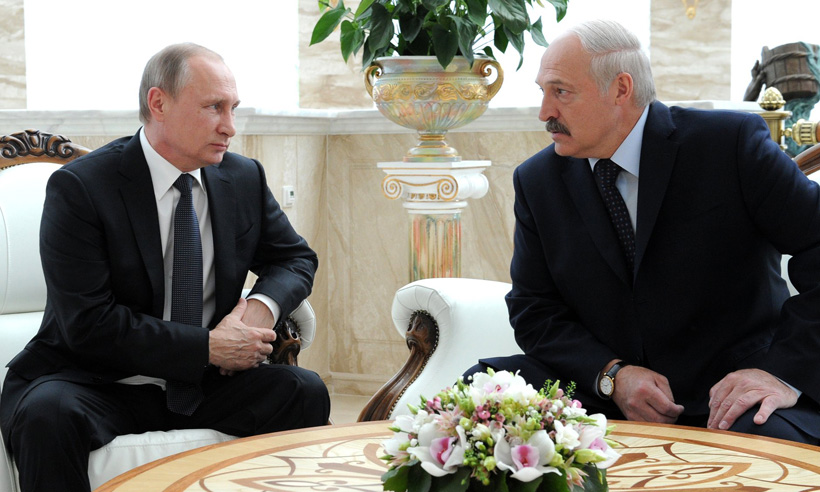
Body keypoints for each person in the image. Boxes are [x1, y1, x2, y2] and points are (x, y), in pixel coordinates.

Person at [467, 19, 820, 444]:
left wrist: (780, 372)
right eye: (543, 91)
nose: (545, 112)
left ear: (621, 88)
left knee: (766, 449)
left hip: (731, 395)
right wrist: (611, 375)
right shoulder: (537, 181)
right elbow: (534, 309)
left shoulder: (728, 144)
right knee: (477, 398)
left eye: (561, 92)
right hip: (601, 393)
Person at [0, 43, 330, 492]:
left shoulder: (243, 178)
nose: (230, 126)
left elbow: (295, 258)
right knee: (48, 415)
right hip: (96, 381)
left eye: (233, 108)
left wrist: (259, 310)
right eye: (213, 107)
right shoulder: (82, 188)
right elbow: (89, 324)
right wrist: (208, 347)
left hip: (208, 384)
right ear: (159, 103)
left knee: (303, 391)